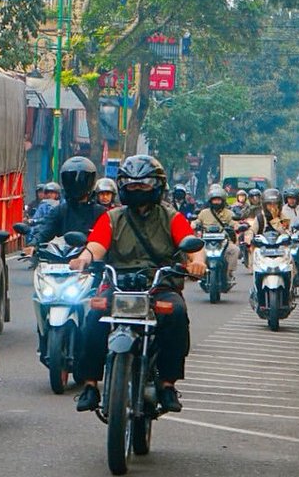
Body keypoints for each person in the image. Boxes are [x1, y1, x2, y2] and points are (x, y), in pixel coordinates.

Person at [69, 154, 206, 415]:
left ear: (157, 186)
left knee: (176, 313)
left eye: (143, 184)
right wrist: (83, 259)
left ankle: (167, 383)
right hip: (118, 284)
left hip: (159, 284)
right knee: (93, 314)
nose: (137, 189)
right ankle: (88, 385)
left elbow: (192, 245)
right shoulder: (112, 218)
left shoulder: (171, 217)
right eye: (131, 185)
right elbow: (95, 246)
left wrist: (197, 262)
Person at [28, 157, 106, 249]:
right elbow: (45, 231)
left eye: (82, 180)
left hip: (92, 260)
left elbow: (107, 239)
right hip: (61, 260)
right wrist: (33, 244)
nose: (76, 185)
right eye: (71, 180)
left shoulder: (100, 213)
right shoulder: (60, 210)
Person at [194, 184, 238, 286]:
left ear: (223, 201)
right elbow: (197, 221)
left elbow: (234, 223)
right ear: (210, 201)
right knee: (196, 251)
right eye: (214, 200)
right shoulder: (204, 213)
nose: (217, 202)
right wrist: (193, 225)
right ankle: (201, 273)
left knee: (234, 250)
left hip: (223, 242)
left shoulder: (229, 213)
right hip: (206, 242)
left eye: (219, 200)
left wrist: (237, 226)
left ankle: (229, 274)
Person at [281, 186, 299, 284]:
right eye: (289, 198)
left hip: (298, 239)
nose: (291, 200)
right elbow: (282, 225)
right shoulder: (282, 211)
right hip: (284, 239)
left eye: (294, 198)